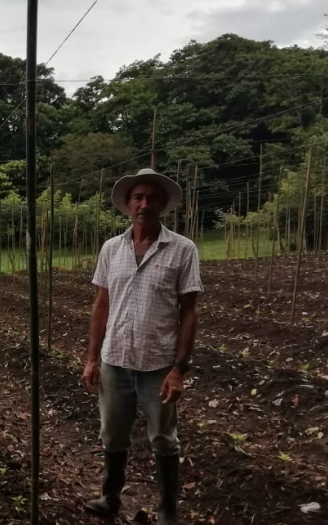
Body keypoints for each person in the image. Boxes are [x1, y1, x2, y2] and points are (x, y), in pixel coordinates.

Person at [82, 168, 202, 525]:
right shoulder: (111, 248)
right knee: (112, 433)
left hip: (157, 365)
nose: (144, 204)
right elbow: (101, 305)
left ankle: (167, 509)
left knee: (164, 439)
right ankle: (110, 496)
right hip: (114, 360)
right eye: (138, 197)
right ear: (127, 204)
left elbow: (190, 312)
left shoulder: (183, 249)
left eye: (152, 197)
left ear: (163, 204)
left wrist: (179, 369)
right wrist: (91, 357)